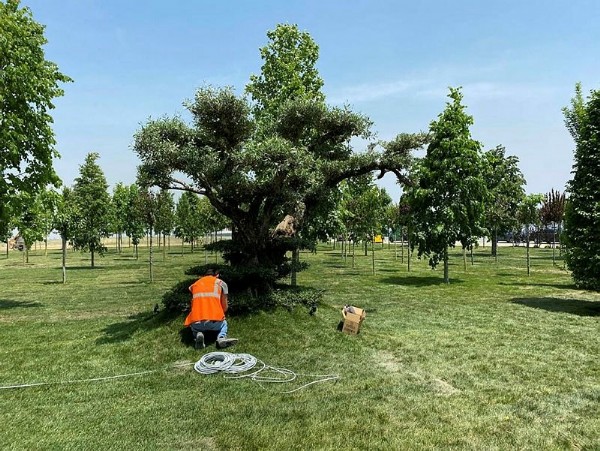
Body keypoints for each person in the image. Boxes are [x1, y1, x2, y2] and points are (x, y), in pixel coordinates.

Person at [184, 269, 238, 350]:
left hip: (197, 321)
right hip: (214, 322)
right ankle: (221, 338)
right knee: (224, 324)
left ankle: (198, 334)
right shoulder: (221, 283)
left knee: (194, 326)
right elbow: (225, 307)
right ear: (217, 275)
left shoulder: (195, 285)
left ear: (203, 276)